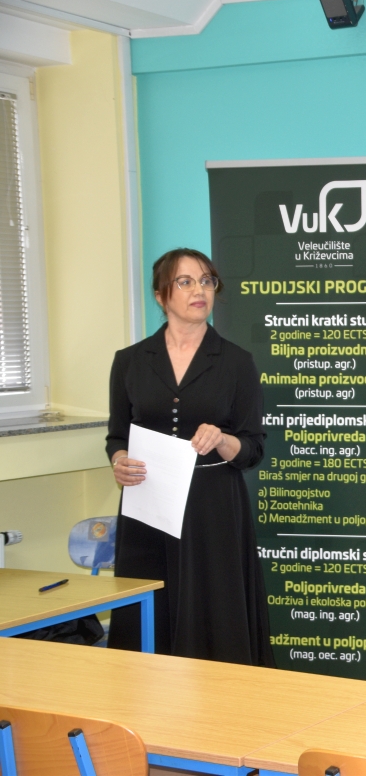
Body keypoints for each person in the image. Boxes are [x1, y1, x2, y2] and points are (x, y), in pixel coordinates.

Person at [106, 248, 274, 665]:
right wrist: (119, 461)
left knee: (214, 616)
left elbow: (252, 447)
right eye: (185, 282)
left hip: (212, 509)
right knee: (149, 610)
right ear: (160, 295)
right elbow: (117, 436)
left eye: (206, 281)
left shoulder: (237, 362)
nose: (199, 290)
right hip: (147, 506)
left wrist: (222, 439)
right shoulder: (129, 361)